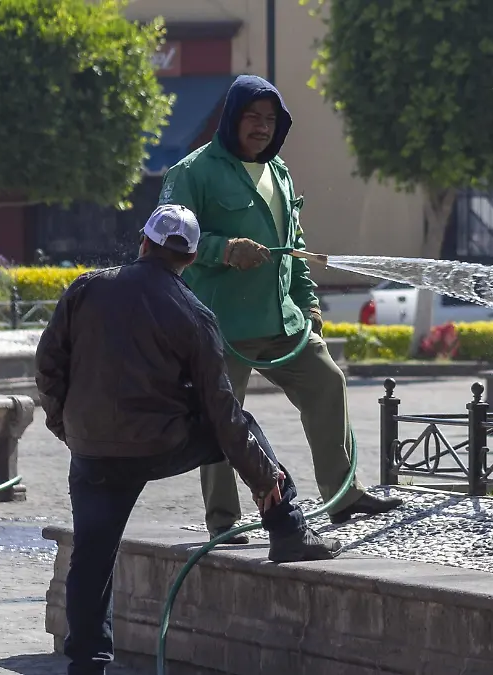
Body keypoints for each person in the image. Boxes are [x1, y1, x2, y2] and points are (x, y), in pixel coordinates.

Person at [35, 204, 341, 675]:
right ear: (191, 257)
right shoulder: (194, 314)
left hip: (92, 450)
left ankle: (88, 663)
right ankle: (287, 527)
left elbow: (48, 364)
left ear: (144, 242)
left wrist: (66, 425)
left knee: (92, 558)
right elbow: (222, 414)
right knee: (245, 423)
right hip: (159, 445)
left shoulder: (86, 288)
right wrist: (263, 477)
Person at [157, 74, 401, 540]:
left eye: (271, 120)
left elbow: (297, 247)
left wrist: (309, 305)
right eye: (252, 116)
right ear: (231, 117)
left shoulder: (279, 171)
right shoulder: (192, 172)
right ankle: (223, 522)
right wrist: (225, 250)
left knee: (328, 381)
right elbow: (168, 237)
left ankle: (343, 494)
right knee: (221, 419)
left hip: (281, 318)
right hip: (220, 324)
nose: (262, 127)